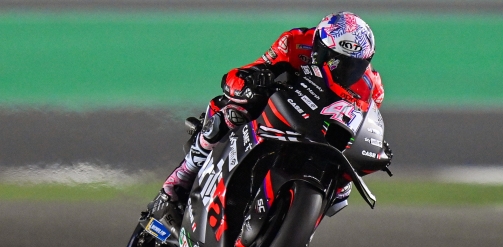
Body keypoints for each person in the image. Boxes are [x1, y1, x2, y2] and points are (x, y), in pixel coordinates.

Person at [152, 11, 385, 217]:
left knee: (341, 191)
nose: (342, 70)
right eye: (335, 61)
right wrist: (251, 80)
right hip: (281, 109)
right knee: (233, 111)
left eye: (353, 65)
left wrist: (374, 144)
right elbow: (243, 73)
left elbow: (364, 125)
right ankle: (182, 177)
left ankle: (298, 224)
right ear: (319, 46)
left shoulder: (373, 87)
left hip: (322, 131)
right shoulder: (294, 42)